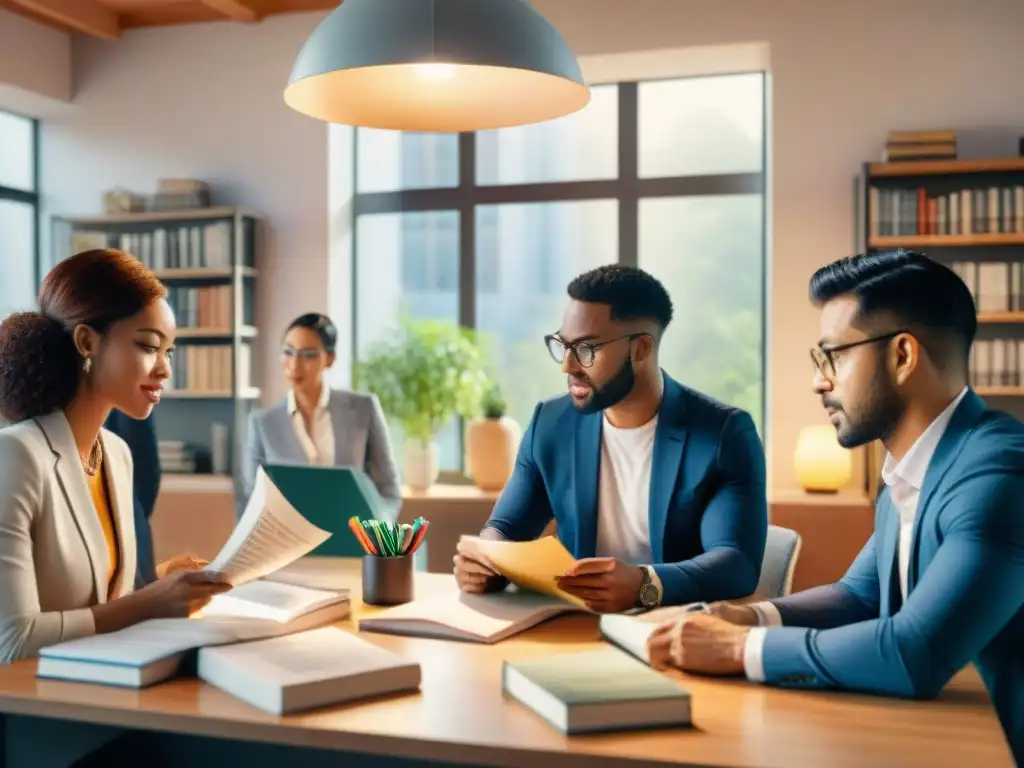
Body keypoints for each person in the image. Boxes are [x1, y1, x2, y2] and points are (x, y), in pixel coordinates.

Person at [647, 250, 1023, 763]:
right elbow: (858, 597)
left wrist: (737, 650)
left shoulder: (999, 472)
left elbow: (916, 653)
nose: (820, 381)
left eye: (834, 356)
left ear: (902, 356)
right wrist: (742, 617)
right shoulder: (908, 474)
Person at [454, 264, 768, 613]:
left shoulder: (724, 435)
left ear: (641, 350)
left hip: (678, 631)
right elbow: (506, 527)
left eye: (587, 348)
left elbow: (736, 563)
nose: (568, 366)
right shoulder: (550, 423)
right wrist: (487, 560)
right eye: (563, 345)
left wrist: (645, 584)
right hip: (575, 626)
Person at [0, 248, 232, 664]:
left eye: (169, 352)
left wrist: (160, 582)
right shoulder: (16, 455)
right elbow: (12, 640)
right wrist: (153, 602)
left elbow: (102, 602)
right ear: (87, 341)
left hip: (110, 685)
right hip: (37, 709)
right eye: (148, 346)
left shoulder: (117, 455)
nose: (164, 369)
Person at [240, 312, 401, 516]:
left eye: (308, 355)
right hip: (291, 545)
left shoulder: (363, 409)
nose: (295, 365)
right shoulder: (262, 423)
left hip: (354, 541)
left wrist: (376, 535)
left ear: (330, 359)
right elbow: (250, 499)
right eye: (288, 352)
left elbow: (388, 490)